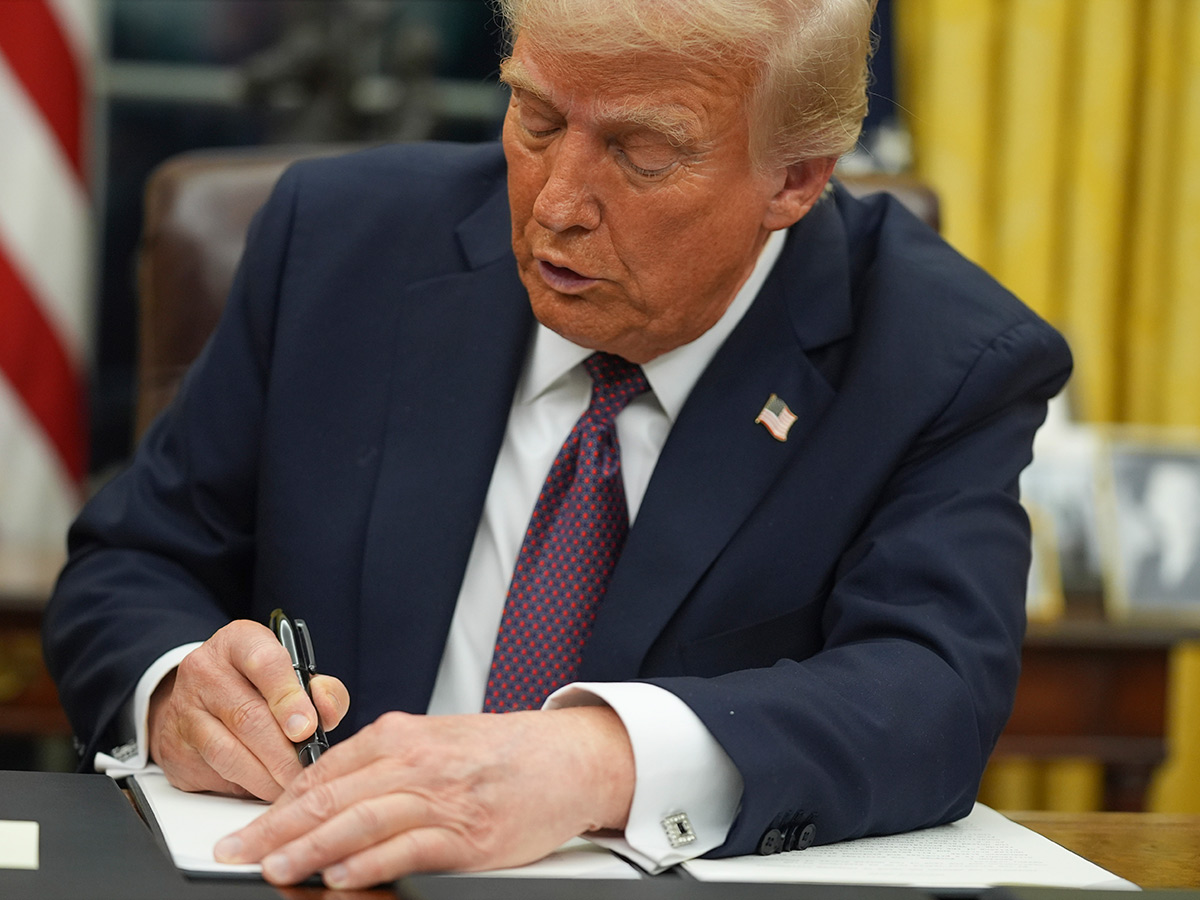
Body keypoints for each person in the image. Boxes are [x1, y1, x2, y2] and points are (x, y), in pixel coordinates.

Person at [43, 0, 1072, 890]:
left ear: (796, 180)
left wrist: (594, 758)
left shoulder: (943, 360)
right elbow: (134, 563)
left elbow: (930, 694)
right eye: (535, 117)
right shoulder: (336, 242)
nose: (555, 206)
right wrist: (178, 688)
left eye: (641, 152)